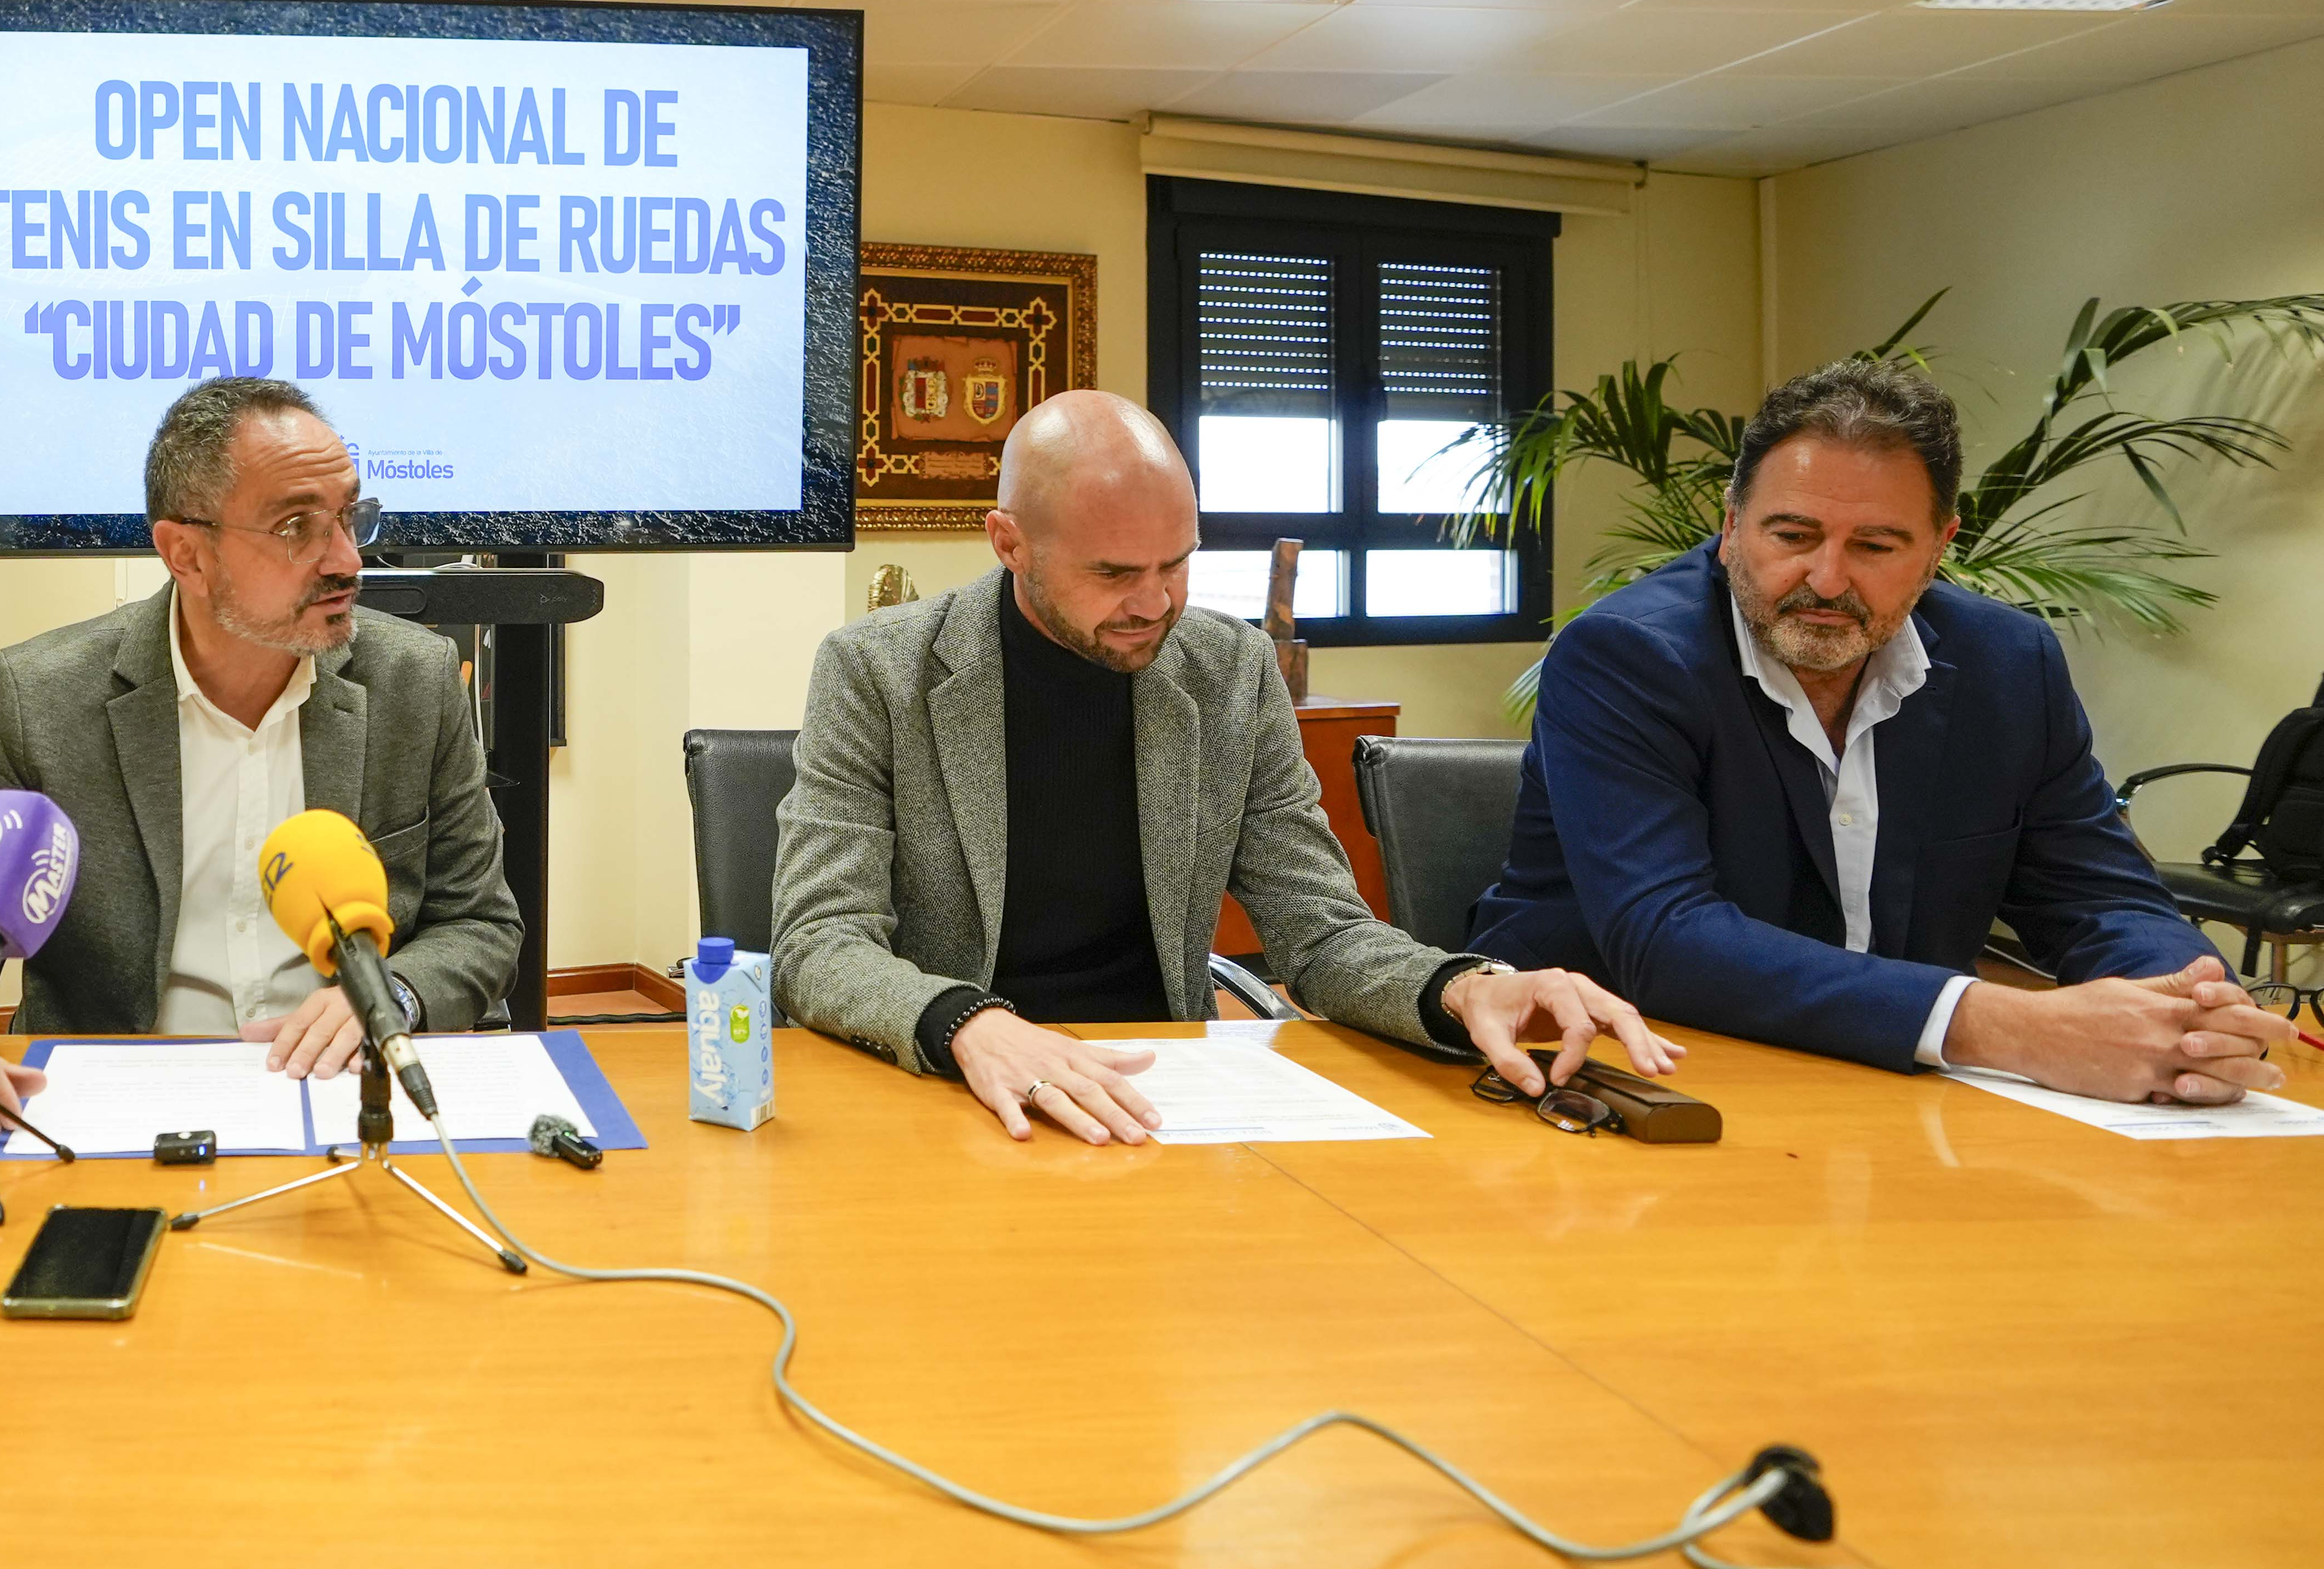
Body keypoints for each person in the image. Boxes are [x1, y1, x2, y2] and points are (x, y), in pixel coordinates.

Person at [771, 391, 1672, 1144]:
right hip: (944, 1087)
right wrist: (973, 1025)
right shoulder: (878, 672)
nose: (1156, 602)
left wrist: (1463, 989)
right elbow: (819, 943)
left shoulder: (1230, 670)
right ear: (1009, 544)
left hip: (1157, 1092)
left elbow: (1322, 935)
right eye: (1114, 572)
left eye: (1178, 563)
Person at [1469, 356, 2290, 1102]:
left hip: (1895, 1085)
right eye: (1793, 536)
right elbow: (1664, 939)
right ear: (1731, 528)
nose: (1827, 580)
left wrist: (2193, 1010)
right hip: (1631, 1073)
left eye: (1875, 546)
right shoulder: (1627, 655)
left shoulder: (2010, 665)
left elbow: (2100, 894)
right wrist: (2006, 1025)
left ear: (1939, 548)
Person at [0, 378, 520, 1111]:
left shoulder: (416, 679)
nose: (347, 560)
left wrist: (393, 995)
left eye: (350, 517)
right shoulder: (44, 697)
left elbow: (479, 923)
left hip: (346, 1090)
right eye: (297, 526)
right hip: (114, 1100)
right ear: (186, 555)